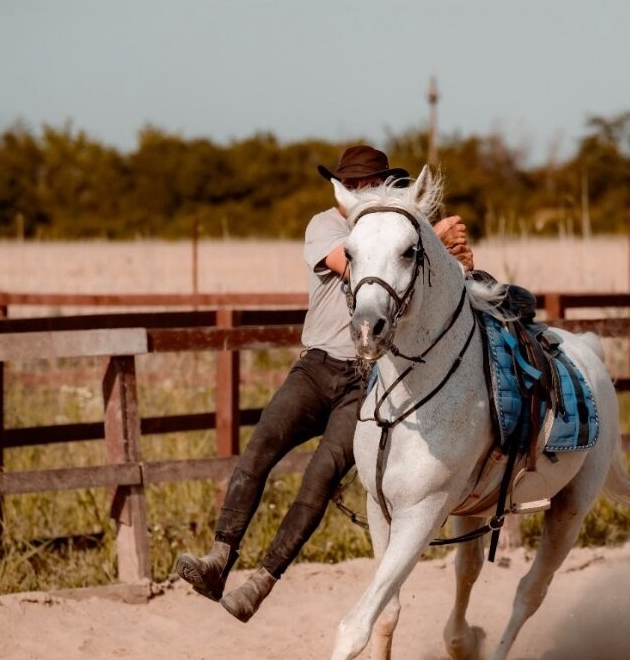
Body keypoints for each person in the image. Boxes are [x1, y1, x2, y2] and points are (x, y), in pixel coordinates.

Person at [175, 145, 474, 623]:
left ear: (382, 186)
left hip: (366, 379)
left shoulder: (401, 232)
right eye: (352, 184)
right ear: (340, 187)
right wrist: (431, 235)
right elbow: (356, 262)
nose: (360, 192)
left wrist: (450, 259)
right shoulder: (330, 227)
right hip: (317, 366)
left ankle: (262, 581)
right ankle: (219, 556)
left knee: (320, 478)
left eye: (369, 184)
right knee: (260, 450)